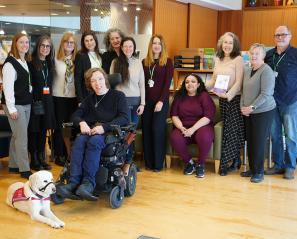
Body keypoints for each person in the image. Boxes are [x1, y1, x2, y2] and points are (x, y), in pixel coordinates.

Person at [56, 68, 129, 201]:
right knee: (79, 141)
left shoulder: (118, 96)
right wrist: (82, 123)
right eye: (93, 81)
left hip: (110, 133)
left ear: (105, 79)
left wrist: (104, 127)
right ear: (90, 84)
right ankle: (73, 183)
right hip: (91, 131)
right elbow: (75, 115)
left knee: (94, 142)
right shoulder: (89, 99)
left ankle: (88, 184)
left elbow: (125, 118)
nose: (97, 83)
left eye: (100, 79)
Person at [206, 32, 245, 176]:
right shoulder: (218, 58)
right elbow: (213, 80)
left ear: (234, 45)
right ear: (221, 44)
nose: (227, 45)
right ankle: (235, 160)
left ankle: (224, 164)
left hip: (233, 99)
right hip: (222, 100)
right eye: (225, 42)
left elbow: (239, 83)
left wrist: (228, 95)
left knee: (231, 131)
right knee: (228, 130)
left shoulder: (238, 59)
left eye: (230, 42)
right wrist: (201, 86)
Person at [264, 25, 297, 179]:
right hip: (271, 102)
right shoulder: (269, 55)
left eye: (284, 34)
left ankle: (290, 166)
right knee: (275, 134)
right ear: (274, 37)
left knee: (290, 135)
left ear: (290, 36)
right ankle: (278, 165)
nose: (280, 37)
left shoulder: (295, 54)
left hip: (291, 101)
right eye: (277, 35)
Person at [240, 43, 276, 183]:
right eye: (252, 53)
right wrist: (243, 106)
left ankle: (259, 172)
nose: (254, 56)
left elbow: (266, 93)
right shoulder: (248, 69)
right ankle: (252, 168)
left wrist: (252, 107)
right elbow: (243, 90)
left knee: (259, 141)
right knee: (250, 140)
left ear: (263, 56)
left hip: (263, 111)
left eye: (257, 53)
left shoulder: (266, 70)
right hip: (248, 111)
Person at [110, 36, 145, 174]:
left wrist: (143, 103)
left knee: (131, 133)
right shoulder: (115, 62)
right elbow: (111, 84)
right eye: (125, 46)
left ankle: (129, 162)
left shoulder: (138, 62)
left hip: (135, 102)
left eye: (131, 46)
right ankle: (121, 161)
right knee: (121, 133)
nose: (128, 49)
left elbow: (142, 84)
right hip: (120, 102)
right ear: (121, 47)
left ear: (134, 48)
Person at [170, 74, 215, 178]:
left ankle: (200, 164)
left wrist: (193, 129)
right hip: (184, 126)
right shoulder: (179, 96)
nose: (189, 84)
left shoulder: (204, 96)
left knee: (205, 136)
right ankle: (189, 163)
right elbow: (174, 115)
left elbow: (208, 116)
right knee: (175, 137)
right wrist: (181, 127)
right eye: (187, 82)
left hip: (201, 126)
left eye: (193, 81)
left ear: (198, 84)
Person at [1, 33, 32, 178]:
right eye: (21, 42)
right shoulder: (10, 63)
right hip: (15, 105)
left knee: (17, 136)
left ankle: (13, 165)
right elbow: (7, 89)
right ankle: (24, 169)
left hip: (25, 103)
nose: (25, 45)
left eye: (27, 42)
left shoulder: (23, 61)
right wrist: (12, 108)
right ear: (15, 43)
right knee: (22, 138)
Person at [142, 34, 173, 172]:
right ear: (151, 45)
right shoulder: (144, 62)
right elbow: (141, 84)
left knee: (157, 130)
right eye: (154, 43)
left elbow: (167, 85)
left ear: (162, 46)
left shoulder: (167, 62)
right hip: (146, 103)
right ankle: (148, 163)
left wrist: (161, 101)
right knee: (147, 131)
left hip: (160, 102)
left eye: (159, 43)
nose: (156, 45)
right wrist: (142, 102)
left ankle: (158, 164)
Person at [28, 35, 55, 171]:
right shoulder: (31, 63)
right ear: (38, 47)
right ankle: (34, 159)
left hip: (47, 101)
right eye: (42, 46)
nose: (45, 48)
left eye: (47, 46)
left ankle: (41, 156)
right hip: (36, 101)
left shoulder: (49, 63)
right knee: (34, 130)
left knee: (43, 130)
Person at [52, 32, 78, 166]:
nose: (69, 44)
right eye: (66, 42)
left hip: (73, 98)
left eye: (72, 42)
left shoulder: (77, 60)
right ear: (62, 43)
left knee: (69, 127)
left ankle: (69, 154)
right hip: (59, 97)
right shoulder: (56, 59)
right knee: (59, 127)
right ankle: (59, 154)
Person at [74, 31, 103, 104]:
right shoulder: (81, 55)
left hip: (100, 91)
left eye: (91, 40)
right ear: (83, 43)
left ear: (95, 40)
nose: (89, 43)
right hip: (87, 93)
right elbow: (77, 79)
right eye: (86, 41)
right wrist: (80, 100)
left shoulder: (100, 55)